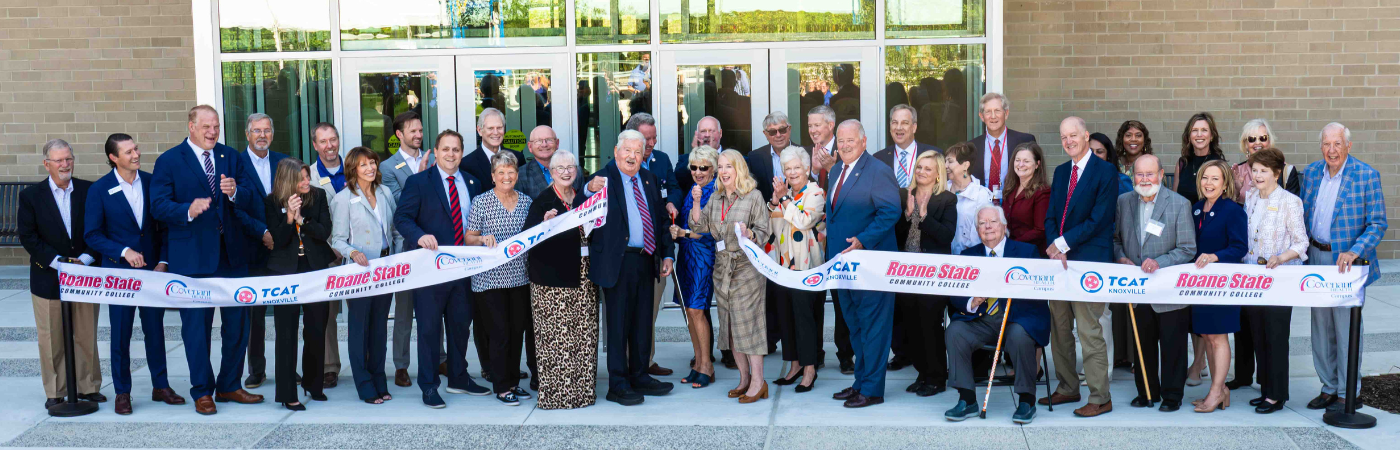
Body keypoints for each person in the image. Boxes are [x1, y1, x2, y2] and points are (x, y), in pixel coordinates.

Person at [150, 105, 265, 414]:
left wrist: (236, 191)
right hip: (193, 258)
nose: (213, 132)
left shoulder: (231, 156)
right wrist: (187, 210)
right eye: (206, 127)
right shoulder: (170, 161)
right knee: (196, 329)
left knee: (237, 326)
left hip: (233, 256)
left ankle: (229, 385)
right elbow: (158, 206)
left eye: (216, 126)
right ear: (191, 126)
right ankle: (202, 390)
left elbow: (252, 198)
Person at [393, 129, 493, 408]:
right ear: (435, 152)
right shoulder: (418, 182)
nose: (451, 154)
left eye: (456, 149)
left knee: (461, 326)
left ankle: (459, 377)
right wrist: (419, 236)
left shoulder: (473, 182)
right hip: (431, 270)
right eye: (445, 149)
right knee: (429, 329)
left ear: (462, 152)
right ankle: (429, 385)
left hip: (463, 270)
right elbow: (402, 218)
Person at [83, 134, 182, 414]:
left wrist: (163, 261)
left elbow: (164, 228)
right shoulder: (100, 189)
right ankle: (122, 392)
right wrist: (123, 250)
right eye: (128, 151)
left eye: (136, 148)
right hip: (119, 276)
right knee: (121, 334)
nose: (136, 154)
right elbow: (92, 234)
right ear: (114, 158)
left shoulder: (152, 182)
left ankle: (160, 385)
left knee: (155, 331)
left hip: (152, 272)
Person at [584, 130, 676, 406]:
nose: (633, 156)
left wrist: (668, 254)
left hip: (646, 260)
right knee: (618, 326)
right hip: (617, 263)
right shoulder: (601, 178)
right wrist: (588, 190)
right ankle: (618, 383)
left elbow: (661, 221)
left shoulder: (647, 178)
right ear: (616, 151)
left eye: (638, 152)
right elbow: (580, 207)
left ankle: (640, 375)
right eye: (628, 151)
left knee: (641, 323)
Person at [1301, 122, 1387, 412]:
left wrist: (1354, 251)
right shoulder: (1312, 173)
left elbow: (1377, 224)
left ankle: (1349, 391)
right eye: (1327, 144)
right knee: (1320, 327)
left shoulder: (1365, 175)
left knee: (1346, 328)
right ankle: (1328, 387)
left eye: (1337, 144)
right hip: (1316, 258)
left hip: (1346, 264)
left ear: (1348, 146)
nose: (1332, 150)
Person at [943, 206, 1050, 424]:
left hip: (1015, 319)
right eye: (982, 223)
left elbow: (1039, 293)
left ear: (1004, 225)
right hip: (981, 320)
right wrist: (971, 301)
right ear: (977, 229)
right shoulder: (968, 256)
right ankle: (967, 400)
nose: (988, 227)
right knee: (955, 331)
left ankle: (1026, 401)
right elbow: (954, 295)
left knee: (1021, 335)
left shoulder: (1026, 252)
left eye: (992, 222)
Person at [20, 139, 104, 409]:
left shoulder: (89, 190)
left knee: (86, 334)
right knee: (51, 337)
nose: (65, 164)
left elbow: (100, 229)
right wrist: (58, 262)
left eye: (68, 159)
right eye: (59, 160)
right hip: (49, 275)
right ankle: (56, 391)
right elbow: (29, 237)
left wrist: (87, 258)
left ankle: (88, 387)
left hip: (85, 274)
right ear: (47, 164)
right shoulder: (31, 196)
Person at [1042, 116, 1117, 417]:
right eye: (1063, 137)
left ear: (1086, 135)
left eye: (1074, 135)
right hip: (1058, 264)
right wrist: (1054, 247)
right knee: (1059, 329)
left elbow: (1099, 220)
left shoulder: (1105, 171)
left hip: (1089, 263)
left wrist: (1062, 244)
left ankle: (1100, 397)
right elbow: (1051, 216)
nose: (1069, 141)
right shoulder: (1061, 172)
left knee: (1088, 331)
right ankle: (1067, 387)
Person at [1112, 154, 1197, 412]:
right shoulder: (1124, 201)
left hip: (1168, 289)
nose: (1145, 179)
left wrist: (1160, 261)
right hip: (1138, 290)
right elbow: (1116, 239)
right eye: (1140, 174)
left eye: (1150, 174)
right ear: (1133, 176)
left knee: (1173, 346)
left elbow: (1188, 248)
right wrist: (1121, 257)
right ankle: (1146, 392)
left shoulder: (1179, 204)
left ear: (1161, 175)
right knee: (1142, 345)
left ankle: (1172, 396)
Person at [826, 120, 901, 408]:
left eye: (850, 141)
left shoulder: (878, 171)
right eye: (840, 141)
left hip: (870, 264)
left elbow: (890, 211)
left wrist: (863, 240)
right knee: (855, 326)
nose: (844, 146)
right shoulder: (836, 170)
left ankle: (872, 390)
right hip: (843, 266)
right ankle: (860, 382)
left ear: (864, 142)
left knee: (874, 328)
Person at [688, 149, 772, 403]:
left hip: (747, 268)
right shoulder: (715, 198)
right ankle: (744, 380)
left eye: (729, 166)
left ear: (739, 170)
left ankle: (759, 382)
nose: (724, 171)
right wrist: (695, 201)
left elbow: (763, 231)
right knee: (732, 328)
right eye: (721, 166)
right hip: (722, 269)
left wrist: (750, 234)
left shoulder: (753, 196)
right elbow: (698, 226)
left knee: (749, 325)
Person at [524, 151, 600, 409]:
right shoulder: (543, 201)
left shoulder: (582, 198)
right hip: (551, 282)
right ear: (552, 171)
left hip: (583, 277)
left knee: (583, 337)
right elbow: (528, 239)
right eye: (560, 168)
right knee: (556, 341)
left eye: (571, 167)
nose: (566, 172)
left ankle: (583, 393)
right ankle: (557, 396)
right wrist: (544, 226)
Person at [331, 147, 403, 404]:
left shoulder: (384, 193)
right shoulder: (342, 198)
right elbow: (337, 239)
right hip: (359, 271)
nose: (370, 168)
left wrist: (399, 255)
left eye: (372, 163)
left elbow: (394, 231)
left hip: (385, 267)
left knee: (379, 328)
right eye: (363, 165)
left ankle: (379, 378)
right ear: (353, 169)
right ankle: (364, 383)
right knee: (359, 328)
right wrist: (352, 253)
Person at [466, 151, 536, 406]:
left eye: (511, 172)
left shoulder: (527, 202)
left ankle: (514, 382)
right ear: (493, 176)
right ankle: (501, 385)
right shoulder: (482, 201)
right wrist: (483, 239)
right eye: (501, 173)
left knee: (517, 330)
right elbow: (468, 237)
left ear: (517, 175)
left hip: (520, 277)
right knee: (499, 332)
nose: (507, 177)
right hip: (489, 280)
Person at [263, 159, 334, 411]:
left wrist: (301, 218)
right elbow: (277, 241)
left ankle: (314, 385)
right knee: (285, 333)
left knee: (316, 329)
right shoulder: (272, 201)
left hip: (314, 271)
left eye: (307, 177)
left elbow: (324, 232)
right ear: (288, 180)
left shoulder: (318, 195)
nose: (306, 181)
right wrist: (288, 218)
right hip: (284, 273)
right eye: (301, 178)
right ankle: (287, 393)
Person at [1242, 147, 1308, 413]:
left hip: (1279, 280)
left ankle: (1277, 394)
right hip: (1252, 280)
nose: (1257, 175)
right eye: (1254, 170)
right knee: (1258, 335)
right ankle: (1266, 388)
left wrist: (1281, 258)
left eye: (1263, 171)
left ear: (1277, 172)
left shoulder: (1290, 201)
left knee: (1276, 337)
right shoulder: (1250, 197)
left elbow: (1301, 242)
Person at [379, 111, 440, 388]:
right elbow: (398, 204)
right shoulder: (388, 168)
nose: (418, 135)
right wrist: (422, 175)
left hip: (435, 246)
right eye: (412, 131)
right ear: (399, 135)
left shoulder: (438, 160)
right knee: (404, 310)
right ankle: (401, 365)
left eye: (420, 130)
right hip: (406, 247)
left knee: (434, 307)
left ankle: (440, 358)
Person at [764, 146, 827, 393]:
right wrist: (775, 201)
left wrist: (784, 200)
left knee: (805, 319)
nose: (792, 172)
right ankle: (794, 365)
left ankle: (809, 369)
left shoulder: (815, 192)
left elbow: (803, 220)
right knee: (786, 317)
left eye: (796, 168)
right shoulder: (785, 195)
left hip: (808, 268)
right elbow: (773, 226)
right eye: (787, 169)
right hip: (783, 267)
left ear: (807, 169)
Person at [894, 151, 956, 396]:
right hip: (906, 273)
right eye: (919, 167)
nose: (921, 172)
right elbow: (896, 235)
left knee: (931, 326)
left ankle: (937, 377)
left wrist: (924, 216)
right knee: (911, 326)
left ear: (938, 173)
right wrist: (908, 215)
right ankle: (922, 373)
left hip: (933, 274)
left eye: (928, 169)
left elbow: (946, 236)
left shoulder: (947, 199)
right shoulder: (904, 195)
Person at [1187, 159, 1247, 413]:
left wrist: (1215, 256)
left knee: (1219, 337)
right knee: (1208, 336)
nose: (1208, 183)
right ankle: (1219, 389)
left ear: (1225, 184)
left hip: (1222, 283)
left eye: (1215, 179)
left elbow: (1240, 247)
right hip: (1199, 285)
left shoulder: (1232, 211)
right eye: (1204, 178)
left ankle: (1216, 392)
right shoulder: (1196, 209)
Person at [626, 112, 678, 377]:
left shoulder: (662, 160)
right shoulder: (620, 165)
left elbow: (674, 187)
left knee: (651, 309)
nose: (651, 143)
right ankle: (629, 364)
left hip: (656, 250)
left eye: (654, 137)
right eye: (646, 138)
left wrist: (672, 202)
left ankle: (645, 360)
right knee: (629, 313)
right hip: (629, 256)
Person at [238, 114, 288, 390]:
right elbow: (235, 210)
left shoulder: (283, 161)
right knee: (254, 314)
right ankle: (256, 369)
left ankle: (286, 368)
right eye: (256, 130)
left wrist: (279, 234)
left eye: (267, 130)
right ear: (247, 134)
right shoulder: (235, 163)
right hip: (252, 248)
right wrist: (262, 232)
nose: (262, 135)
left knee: (286, 312)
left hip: (283, 249)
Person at [806, 105, 854, 375]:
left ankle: (846, 355)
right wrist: (813, 172)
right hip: (812, 238)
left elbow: (849, 190)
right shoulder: (807, 152)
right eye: (810, 126)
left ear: (831, 126)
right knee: (813, 296)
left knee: (841, 298)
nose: (813, 130)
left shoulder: (845, 150)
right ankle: (815, 353)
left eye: (817, 125)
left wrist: (832, 168)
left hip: (839, 236)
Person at [670, 146, 720, 388]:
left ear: (714, 169)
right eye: (694, 167)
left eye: (704, 167)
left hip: (704, 257)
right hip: (687, 255)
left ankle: (707, 366)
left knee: (698, 310)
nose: (698, 172)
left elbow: (709, 232)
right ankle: (698, 363)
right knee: (689, 312)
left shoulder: (716, 191)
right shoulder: (691, 189)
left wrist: (684, 232)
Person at [306, 123, 345, 389]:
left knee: (361, 312)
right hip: (326, 252)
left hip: (359, 252)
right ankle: (329, 366)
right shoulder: (306, 175)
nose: (329, 146)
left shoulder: (355, 167)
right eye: (323, 141)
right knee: (327, 314)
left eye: (333, 139)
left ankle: (365, 360)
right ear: (315, 145)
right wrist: (329, 247)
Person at [968, 93, 1036, 202]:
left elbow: (1036, 177)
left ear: (1006, 113)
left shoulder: (1025, 140)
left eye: (997, 111)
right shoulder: (971, 146)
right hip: (981, 208)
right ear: (981, 116)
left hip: (1016, 207)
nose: (993, 116)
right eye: (988, 112)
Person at [1232, 119, 1300, 203]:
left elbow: (1293, 206)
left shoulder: (1287, 171)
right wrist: (1236, 191)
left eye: (1262, 138)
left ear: (1269, 141)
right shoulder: (1238, 172)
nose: (1257, 142)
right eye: (1252, 139)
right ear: (1246, 144)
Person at [944, 142, 994, 255]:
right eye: (945, 161)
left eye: (950, 161)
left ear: (966, 165)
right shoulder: (941, 190)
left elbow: (982, 232)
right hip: (942, 257)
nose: (945, 165)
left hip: (969, 259)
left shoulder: (981, 195)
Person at [1000, 142, 1051, 252]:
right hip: (1009, 251)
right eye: (1017, 160)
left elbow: (1040, 230)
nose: (1021, 164)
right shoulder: (1010, 188)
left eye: (1026, 161)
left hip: (1030, 253)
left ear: (1037, 164)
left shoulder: (1042, 192)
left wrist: (1012, 244)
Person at [464, 107, 527, 192]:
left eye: (499, 128)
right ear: (479, 130)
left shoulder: (518, 157)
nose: (496, 132)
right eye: (490, 128)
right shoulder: (467, 164)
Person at [518, 125, 587, 199]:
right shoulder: (520, 175)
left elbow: (582, 203)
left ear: (557, 143)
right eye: (538, 141)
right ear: (530, 147)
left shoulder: (575, 171)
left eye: (549, 140)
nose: (544, 144)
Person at [1172, 112, 1225, 204]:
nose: (1199, 134)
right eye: (1194, 130)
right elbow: (1174, 198)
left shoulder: (1218, 164)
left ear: (1211, 136)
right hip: (1184, 217)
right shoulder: (1182, 163)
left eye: (1204, 130)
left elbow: (1224, 200)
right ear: (1189, 136)